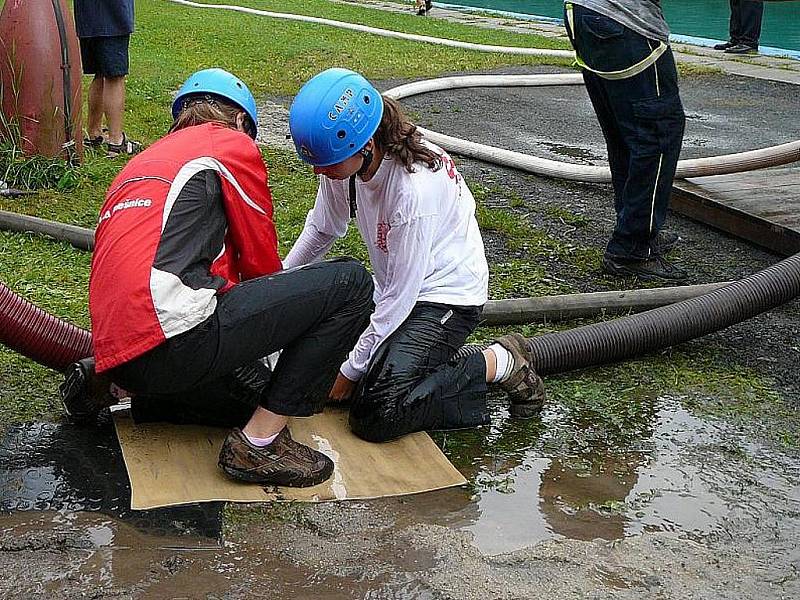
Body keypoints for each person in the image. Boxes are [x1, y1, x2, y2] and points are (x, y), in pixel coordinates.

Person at [67, 68, 375, 488]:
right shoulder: (227, 146)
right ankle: (259, 446)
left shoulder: (142, 163)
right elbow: (260, 266)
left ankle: (116, 392)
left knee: (256, 395)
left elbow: (207, 271)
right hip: (175, 334)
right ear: (240, 122)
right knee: (351, 284)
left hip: (121, 354)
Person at [285, 68, 546, 443]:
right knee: (329, 352)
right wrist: (274, 282)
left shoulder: (413, 191)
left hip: (445, 298)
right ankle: (408, 364)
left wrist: (350, 372)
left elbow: (401, 297)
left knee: (376, 411)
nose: (319, 171)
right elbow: (323, 229)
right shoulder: (342, 160)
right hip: (396, 286)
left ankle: (500, 362)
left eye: (327, 163)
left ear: (365, 146)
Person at [563, 1, 688, 282]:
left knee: (625, 134)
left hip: (584, 13)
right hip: (625, 20)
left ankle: (635, 228)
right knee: (657, 135)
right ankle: (631, 248)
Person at [73, 0, 141, 157]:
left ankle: (93, 134)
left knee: (100, 74)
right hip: (112, 17)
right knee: (115, 77)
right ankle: (116, 142)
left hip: (87, 18)